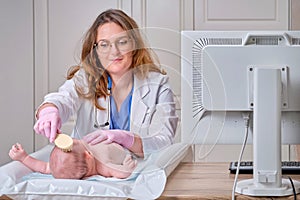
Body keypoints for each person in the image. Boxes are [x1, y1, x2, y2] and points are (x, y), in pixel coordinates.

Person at [33, 9, 178, 158]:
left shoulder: (158, 84)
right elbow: (63, 98)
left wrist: (128, 140)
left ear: (134, 45)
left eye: (122, 42)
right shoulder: (85, 79)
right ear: (95, 50)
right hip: (88, 168)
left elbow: (164, 140)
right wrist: (49, 111)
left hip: (138, 169)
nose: (114, 51)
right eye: (104, 44)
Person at [9, 139, 137, 179]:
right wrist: (127, 165)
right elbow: (122, 172)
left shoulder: (64, 169)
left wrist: (24, 158)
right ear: (88, 155)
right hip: (121, 146)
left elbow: (44, 167)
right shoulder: (103, 165)